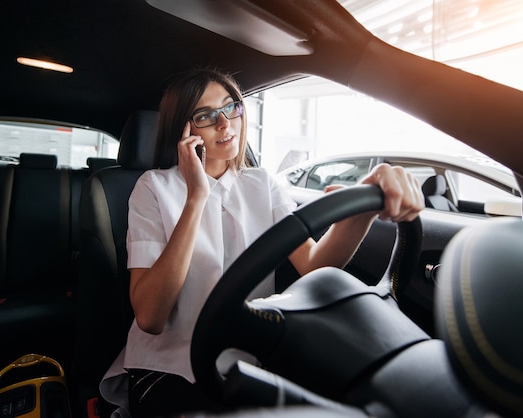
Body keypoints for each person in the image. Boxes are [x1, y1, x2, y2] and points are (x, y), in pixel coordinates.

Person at [99, 67, 424, 418]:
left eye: (231, 107)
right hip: (169, 367)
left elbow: (314, 266)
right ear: (185, 129)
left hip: (251, 359)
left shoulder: (262, 183)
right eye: (206, 116)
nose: (226, 124)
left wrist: (363, 206)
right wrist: (196, 197)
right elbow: (150, 316)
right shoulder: (153, 188)